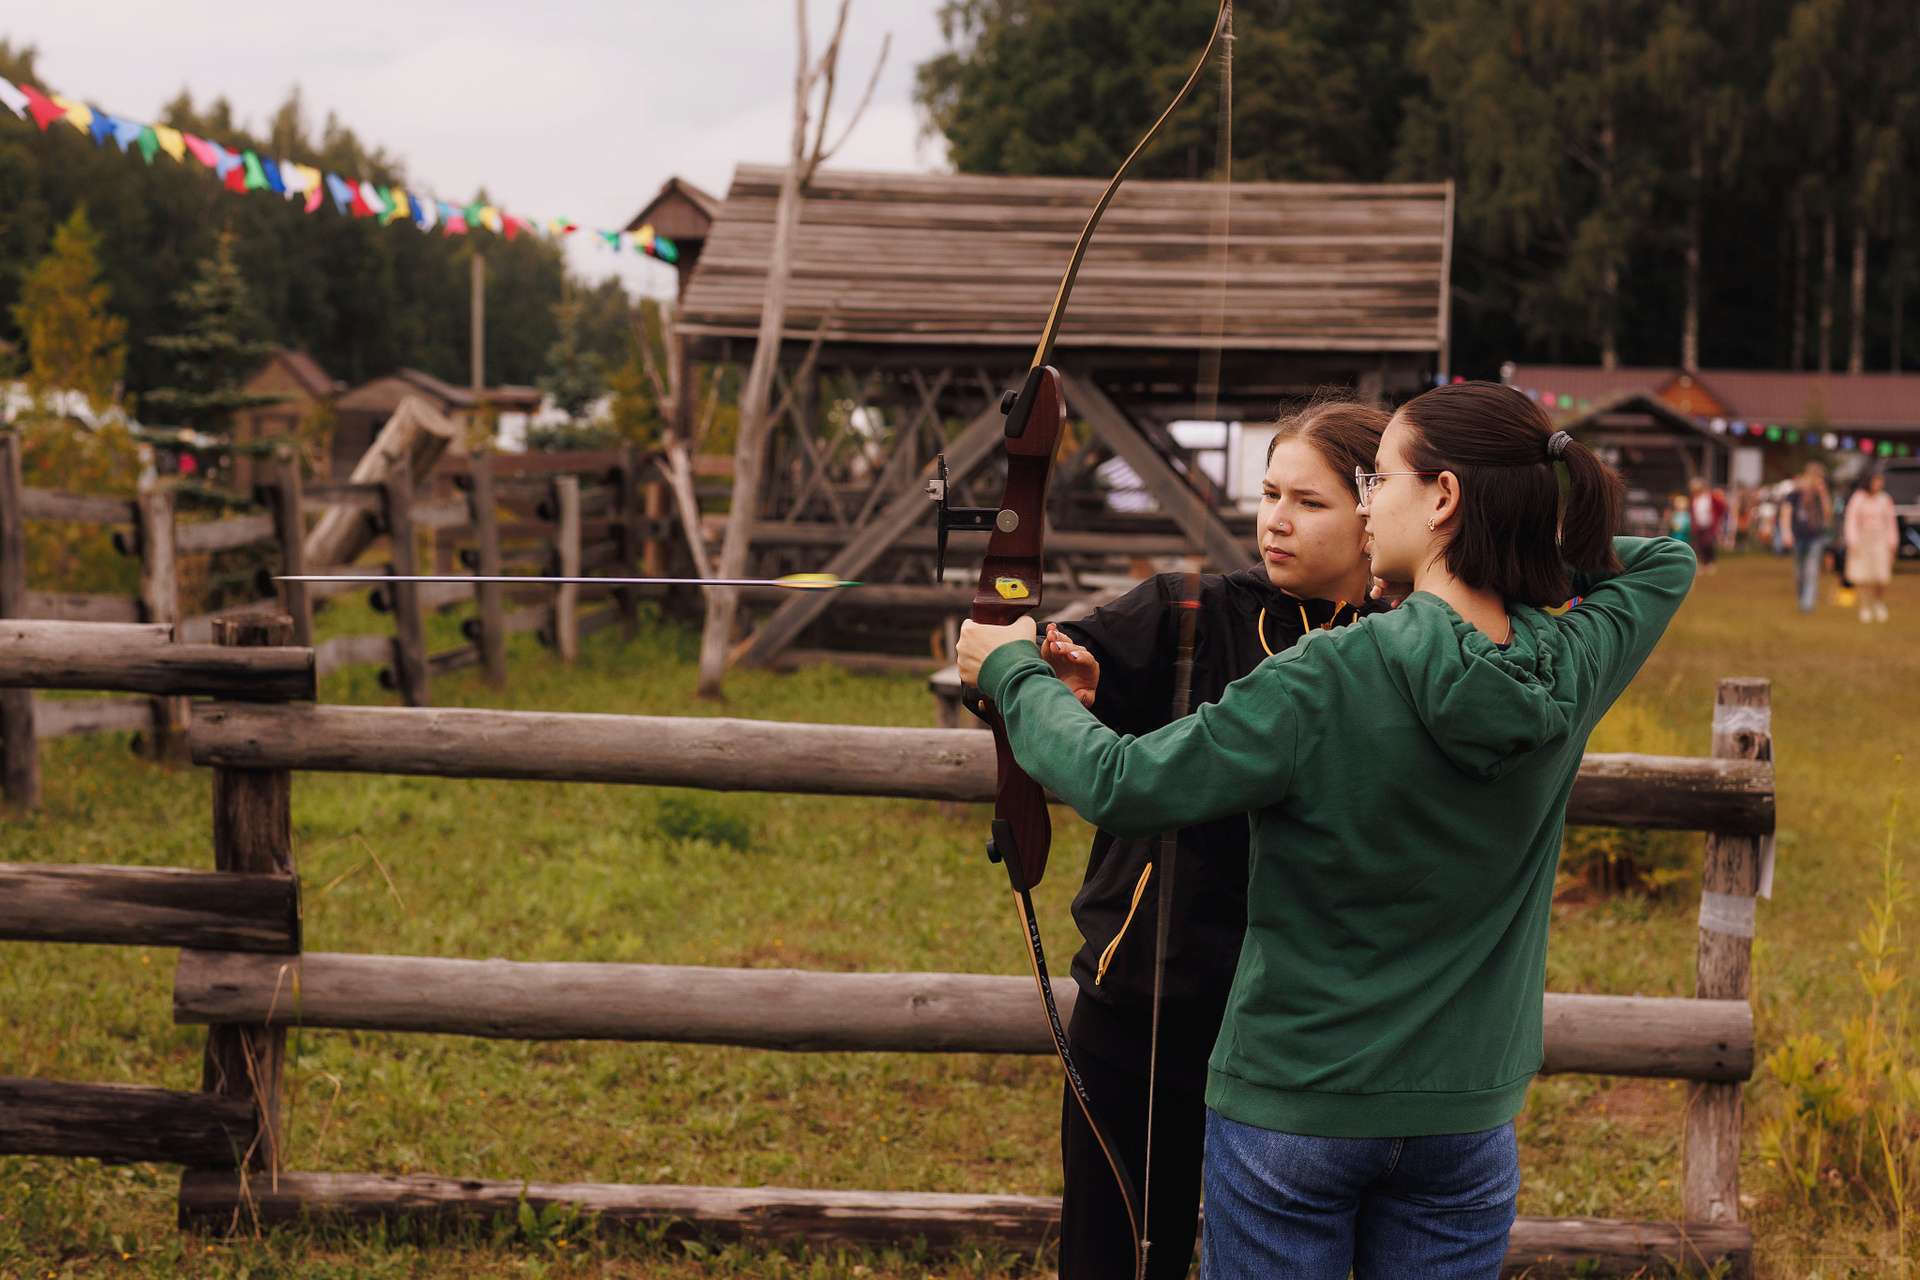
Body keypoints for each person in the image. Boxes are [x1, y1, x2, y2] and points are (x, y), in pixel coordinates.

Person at [958, 381, 1693, 1278]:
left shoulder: (1326, 673)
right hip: (1463, 1114)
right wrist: (1507, 541)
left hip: (1296, 1106)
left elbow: (1121, 782)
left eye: (1375, 482)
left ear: (1445, 499)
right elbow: (1664, 562)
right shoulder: (1571, 662)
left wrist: (1014, 674)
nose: (1366, 504)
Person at [1035, 397, 1391, 1280]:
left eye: (1309, 502)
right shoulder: (1190, 609)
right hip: (1144, 1005)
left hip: (1307, 1032)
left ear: (1375, 514)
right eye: (1269, 493)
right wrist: (1054, 671)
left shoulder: (1406, 644)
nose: (1276, 519)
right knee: (1114, 1255)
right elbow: (1059, 668)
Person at [1844, 469, 1898, 622]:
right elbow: (1851, 520)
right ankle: (1864, 606)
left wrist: (1893, 543)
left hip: (1880, 537)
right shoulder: (1858, 498)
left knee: (1881, 574)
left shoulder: (1884, 499)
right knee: (1863, 574)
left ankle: (1879, 603)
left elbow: (1890, 522)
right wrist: (1852, 541)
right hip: (1863, 538)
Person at [1783, 462, 1833, 612]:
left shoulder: (1820, 496)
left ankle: (1807, 606)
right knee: (1799, 573)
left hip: (1815, 538)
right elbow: (1786, 512)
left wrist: (1824, 495)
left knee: (1811, 571)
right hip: (1798, 536)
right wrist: (1786, 533)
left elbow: (1828, 514)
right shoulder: (1796, 493)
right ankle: (1802, 599)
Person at [1689, 478, 1727, 573]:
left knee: (1708, 543)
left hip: (1709, 523)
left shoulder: (1710, 496)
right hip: (1698, 524)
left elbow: (1721, 506)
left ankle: (1710, 562)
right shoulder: (1694, 499)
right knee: (1700, 544)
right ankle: (1703, 562)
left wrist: (1717, 518)